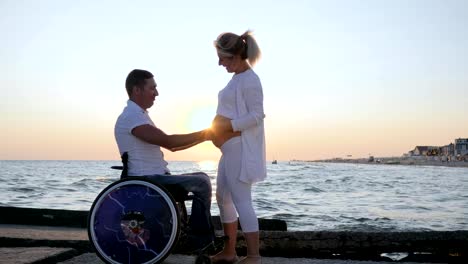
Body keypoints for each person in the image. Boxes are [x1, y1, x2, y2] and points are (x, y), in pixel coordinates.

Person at [114, 69, 214, 250]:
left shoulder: (139, 115)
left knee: (202, 177)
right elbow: (168, 142)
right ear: (137, 90)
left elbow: (173, 146)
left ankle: (195, 236)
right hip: (145, 180)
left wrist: (205, 137)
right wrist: (205, 133)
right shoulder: (131, 116)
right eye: (152, 88)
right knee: (201, 183)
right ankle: (200, 241)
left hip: (154, 177)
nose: (157, 93)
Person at [210, 30, 267, 264]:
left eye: (223, 58)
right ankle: (229, 251)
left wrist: (227, 126)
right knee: (222, 196)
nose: (219, 63)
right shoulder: (236, 79)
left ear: (235, 55)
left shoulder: (251, 80)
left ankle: (253, 256)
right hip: (229, 148)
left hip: (240, 147)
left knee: (242, 200)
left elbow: (257, 116)